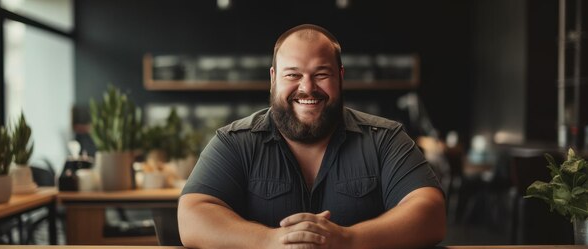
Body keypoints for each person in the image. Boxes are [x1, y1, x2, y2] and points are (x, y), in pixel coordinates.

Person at [178, 24, 446, 249]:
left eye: (321, 74)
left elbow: (431, 212)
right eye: (293, 74)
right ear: (273, 78)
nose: (307, 88)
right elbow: (191, 215)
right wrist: (269, 240)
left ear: (340, 77)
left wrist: (349, 239)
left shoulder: (385, 139)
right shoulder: (234, 142)